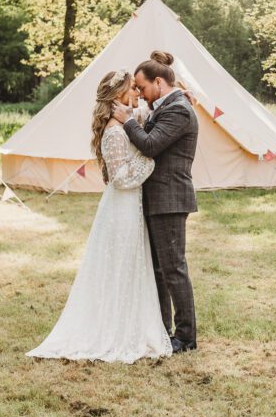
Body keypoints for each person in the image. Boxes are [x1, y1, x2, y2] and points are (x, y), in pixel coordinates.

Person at [27, 70, 172, 363]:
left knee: (129, 265)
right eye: (132, 89)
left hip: (130, 206)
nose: (137, 94)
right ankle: (112, 330)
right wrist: (149, 159)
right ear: (118, 96)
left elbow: (143, 112)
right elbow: (120, 178)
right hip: (121, 207)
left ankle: (130, 323)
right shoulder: (115, 132)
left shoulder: (123, 124)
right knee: (119, 265)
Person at [112, 50, 199, 353]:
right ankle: (164, 329)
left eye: (142, 87)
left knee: (174, 269)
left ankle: (186, 338)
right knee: (160, 270)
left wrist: (126, 121)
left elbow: (150, 145)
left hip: (170, 198)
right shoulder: (168, 105)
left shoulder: (179, 110)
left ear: (159, 82)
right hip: (157, 197)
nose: (140, 94)